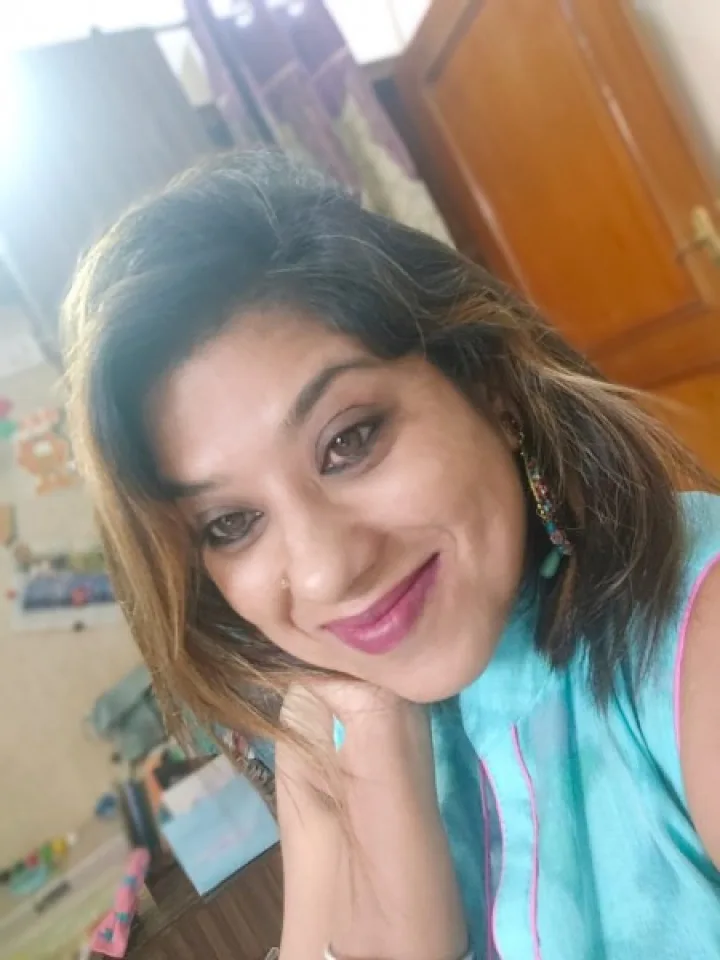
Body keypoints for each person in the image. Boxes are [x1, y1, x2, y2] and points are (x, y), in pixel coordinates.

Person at [62, 153, 720, 960]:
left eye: (350, 440)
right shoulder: (319, 733)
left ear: (487, 385)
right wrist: (380, 757)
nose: (324, 572)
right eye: (231, 523)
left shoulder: (691, 624)